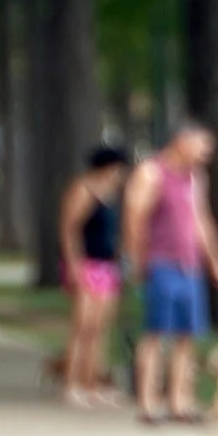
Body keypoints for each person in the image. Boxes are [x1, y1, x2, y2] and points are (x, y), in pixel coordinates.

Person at [121, 123, 218, 424]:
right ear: (181, 142)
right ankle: (147, 403)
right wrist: (136, 261)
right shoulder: (151, 173)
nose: (206, 155)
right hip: (161, 263)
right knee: (156, 333)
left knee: (187, 336)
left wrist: (217, 260)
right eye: (201, 147)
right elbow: (134, 218)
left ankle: (180, 401)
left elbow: (201, 220)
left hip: (190, 265)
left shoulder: (196, 177)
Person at [55, 143, 132, 404]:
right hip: (85, 263)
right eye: (119, 169)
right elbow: (69, 229)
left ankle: (93, 382)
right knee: (83, 326)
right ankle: (71, 382)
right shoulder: (83, 189)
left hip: (107, 265)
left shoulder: (111, 195)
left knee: (101, 328)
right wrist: (73, 265)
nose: (121, 174)